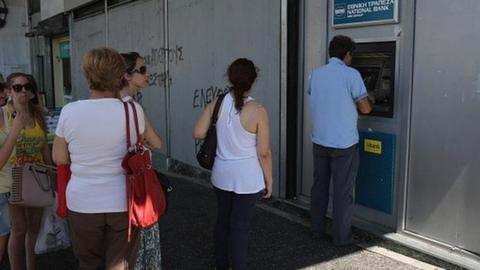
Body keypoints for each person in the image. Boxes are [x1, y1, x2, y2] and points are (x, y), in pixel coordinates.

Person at [52, 47, 145, 270]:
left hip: (82, 199)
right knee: (118, 262)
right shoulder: (133, 111)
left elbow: (59, 157)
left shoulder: (70, 111)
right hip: (123, 199)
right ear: (121, 76)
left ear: (87, 76)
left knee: (88, 262)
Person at [193, 58, 273, 270]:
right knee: (240, 227)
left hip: (221, 174)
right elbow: (263, 153)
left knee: (223, 221)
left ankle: (222, 264)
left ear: (230, 78)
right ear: (253, 81)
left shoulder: (217, 103)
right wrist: (270, 180)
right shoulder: (258, 110)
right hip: (247, 178)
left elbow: (198, 132)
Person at [308, 35, 373, 246]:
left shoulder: (315, 75)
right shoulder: (351, 74)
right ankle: (341, 239)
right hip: (343, 145)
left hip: (320, 141)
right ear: (347, 54)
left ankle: (316, 231)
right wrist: (371, 97)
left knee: (319, 189)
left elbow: (322, 97)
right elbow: (365, 108)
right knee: (342, 193)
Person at [5, 73, 53, 270]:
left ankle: (31, 266)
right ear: (9, 91)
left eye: (27, 87)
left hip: (38, 175)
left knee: (34, 227)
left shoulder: (38, 114)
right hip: (14, 177)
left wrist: (52, 178)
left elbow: (44, 148)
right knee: (18, 229)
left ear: (33, 92)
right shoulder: (4, 116)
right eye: (17, 87)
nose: (23, 91)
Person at [120, 51, 163, 269]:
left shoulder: (110, 103)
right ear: (127, 76)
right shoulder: (132, 107)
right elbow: (156, 142)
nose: (148, 74)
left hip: (118, 185)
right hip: (137, 186)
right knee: (141, 243)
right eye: (142, 70)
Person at [0, 73, 27, 266]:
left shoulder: (6, 113)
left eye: (3, 86)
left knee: (14, 236)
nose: (3, 91)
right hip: (0, 192)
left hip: (13, 186)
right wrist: (15, 131)